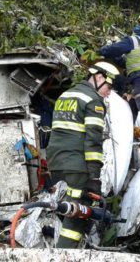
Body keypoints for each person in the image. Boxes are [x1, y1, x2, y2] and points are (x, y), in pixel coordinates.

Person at [46, 61, 119, 248]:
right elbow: (93, 142)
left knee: (62, 209)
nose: (108, 92)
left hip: (56, 164)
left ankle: (54, 249)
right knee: (77, 216)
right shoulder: (94, 101)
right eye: (108, 87)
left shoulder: (65, 96)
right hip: (77, 168)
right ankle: (64, 255)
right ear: (99, 77)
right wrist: (94, 178)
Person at [98, 25, 140, 142]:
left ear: (134, 33)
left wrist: (101, 51)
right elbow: (130, 62)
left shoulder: (133, 40)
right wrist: (116, 59)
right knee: (131, 108)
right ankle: (127, 136)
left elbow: (114, 49)